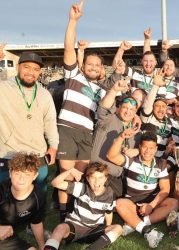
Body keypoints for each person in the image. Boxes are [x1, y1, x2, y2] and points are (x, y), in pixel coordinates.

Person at [57, 0, 123, 221]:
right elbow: (68, 48)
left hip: (87, 133)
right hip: (67, 129)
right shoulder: (73, 76)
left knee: (81, 174)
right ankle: (63, 214)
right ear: (83, 65)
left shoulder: (100, 88)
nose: (94, 67)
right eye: (90, 64)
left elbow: (112, 89)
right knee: (66, 174)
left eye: (97, 65)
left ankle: (78, 210)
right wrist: (72, 21)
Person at [107, 131, 179, 248]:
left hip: (151, 201)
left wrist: (151, 205)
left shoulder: (161, 164)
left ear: (156, 149)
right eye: (145, 147)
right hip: (132, 203)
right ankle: (147, 231)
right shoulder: (132, 161)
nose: (148, 151)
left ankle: (134, 223)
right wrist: (121, 137)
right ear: (140, 147)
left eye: (151, 148)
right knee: (119, 203)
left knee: (174, 203)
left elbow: (165, 189)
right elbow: (111, 156)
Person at [0, 51, 58, 193]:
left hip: (37, 155)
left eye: (36, 69)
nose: (31, 72)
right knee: (5, 200)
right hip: (8, 154)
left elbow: (50, 121)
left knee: (38, 199)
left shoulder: (44, 94)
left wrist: (53, 146)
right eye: (26, 67)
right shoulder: (3, 88)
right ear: (18, 67)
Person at [44, 163, 122, 250]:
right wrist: (70, 171)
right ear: (88, 179)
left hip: (93, 230)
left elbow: (108, 212)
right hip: (74, 227)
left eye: (100, 178)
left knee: (118, 228)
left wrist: (108, 228)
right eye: (93, 178)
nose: (96, 182)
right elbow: (54, 183)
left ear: (105, 179)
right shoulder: (81, 188)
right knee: (60, 228)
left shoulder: (110, 194)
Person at [91, 80, 141, 197]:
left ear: (135, 112)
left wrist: (136, 151)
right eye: (125, 107)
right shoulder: (108, 119)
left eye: (131, 109)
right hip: (97, 171)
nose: (128, 111)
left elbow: (144, 150)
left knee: (117, 201)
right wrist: (113, 91)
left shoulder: (136, 132)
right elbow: (104, 107)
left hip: (116, 175)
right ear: (119, 108)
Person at [0, 153, 46, 250]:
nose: (21, 179)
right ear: (9, 173)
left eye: (27, 174)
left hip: (6, 238)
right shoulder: (2, 191)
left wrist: (42, 247)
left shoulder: (38, 196)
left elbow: (36, 223)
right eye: (17, 173)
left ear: (35, 176)